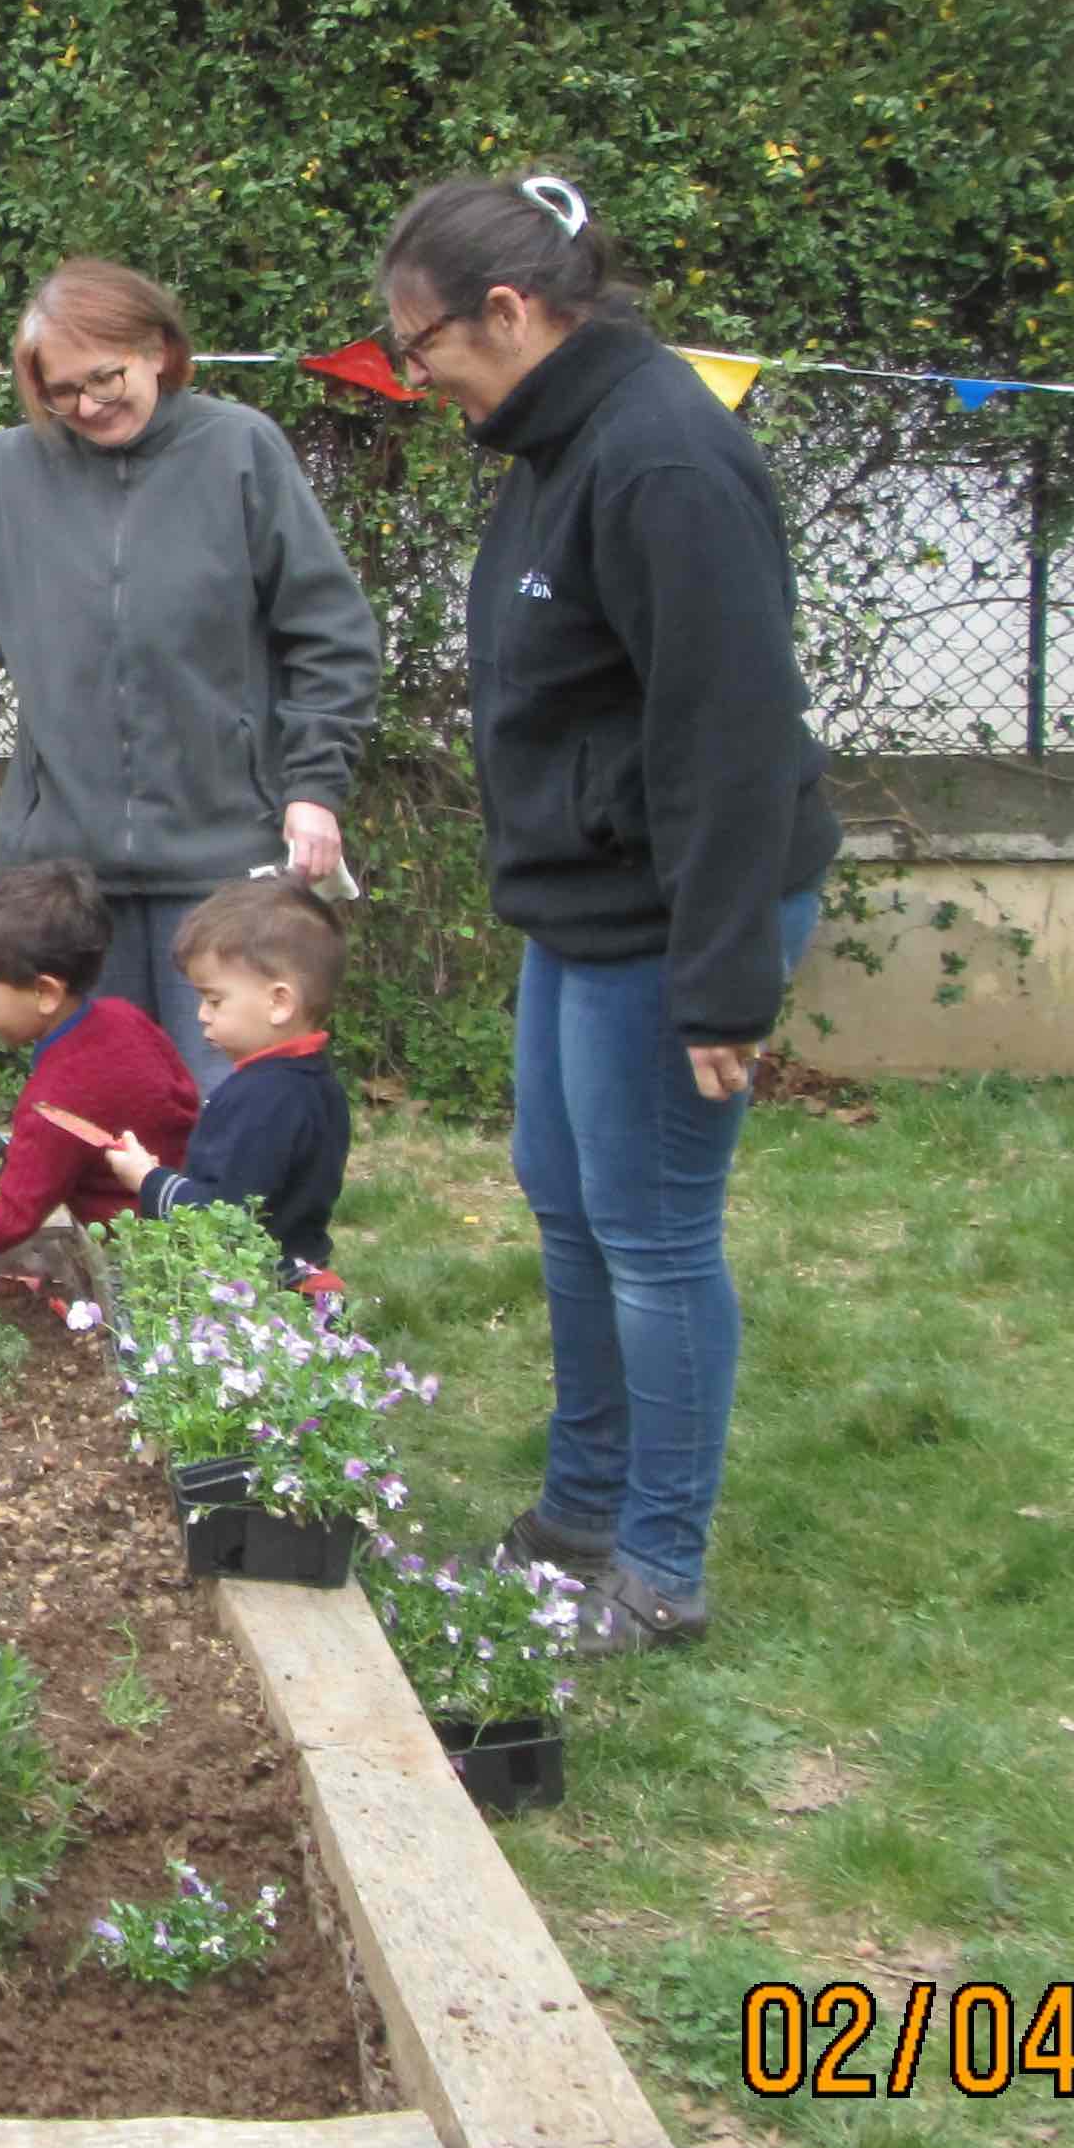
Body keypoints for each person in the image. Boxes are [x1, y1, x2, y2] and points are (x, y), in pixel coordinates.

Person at [377, 171, 836, 1659]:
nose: (414, 371)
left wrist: (722, 982)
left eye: (421, 340)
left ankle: (658, 1569)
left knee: (652, 1233)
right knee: (570, 1206)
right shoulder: (558, 445)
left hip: (673, 916)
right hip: (588, 906)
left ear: (509, 312)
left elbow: (733, 734)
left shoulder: (662, 463)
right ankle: (579, 1514)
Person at [0, 259, 382, 1084]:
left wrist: (313, 786)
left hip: (223, 855)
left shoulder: (240, 450)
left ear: (156, 350)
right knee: (102, 1118)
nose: (86, 406)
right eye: (61, 392)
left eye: (104, 378)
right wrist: (11, 635)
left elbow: (329, 630)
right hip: (67, 869)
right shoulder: (13, 467)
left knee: (229, 1109)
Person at [0, 863, 200, 1273]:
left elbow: (13, 1218)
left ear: (46, 992)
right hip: (188, 1216)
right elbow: (184, 1104)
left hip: (139, 1260)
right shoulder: (123, 1018)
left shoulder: (57, 1097)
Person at [46, 875, 357, 1279]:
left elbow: (220, 1220)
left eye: (214, 1000)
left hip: (250, 1296)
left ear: (279, 1002)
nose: (201, 1014)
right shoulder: (315, 1083)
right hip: (301, 1276)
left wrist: (148, 1179)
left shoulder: (258, 1099)